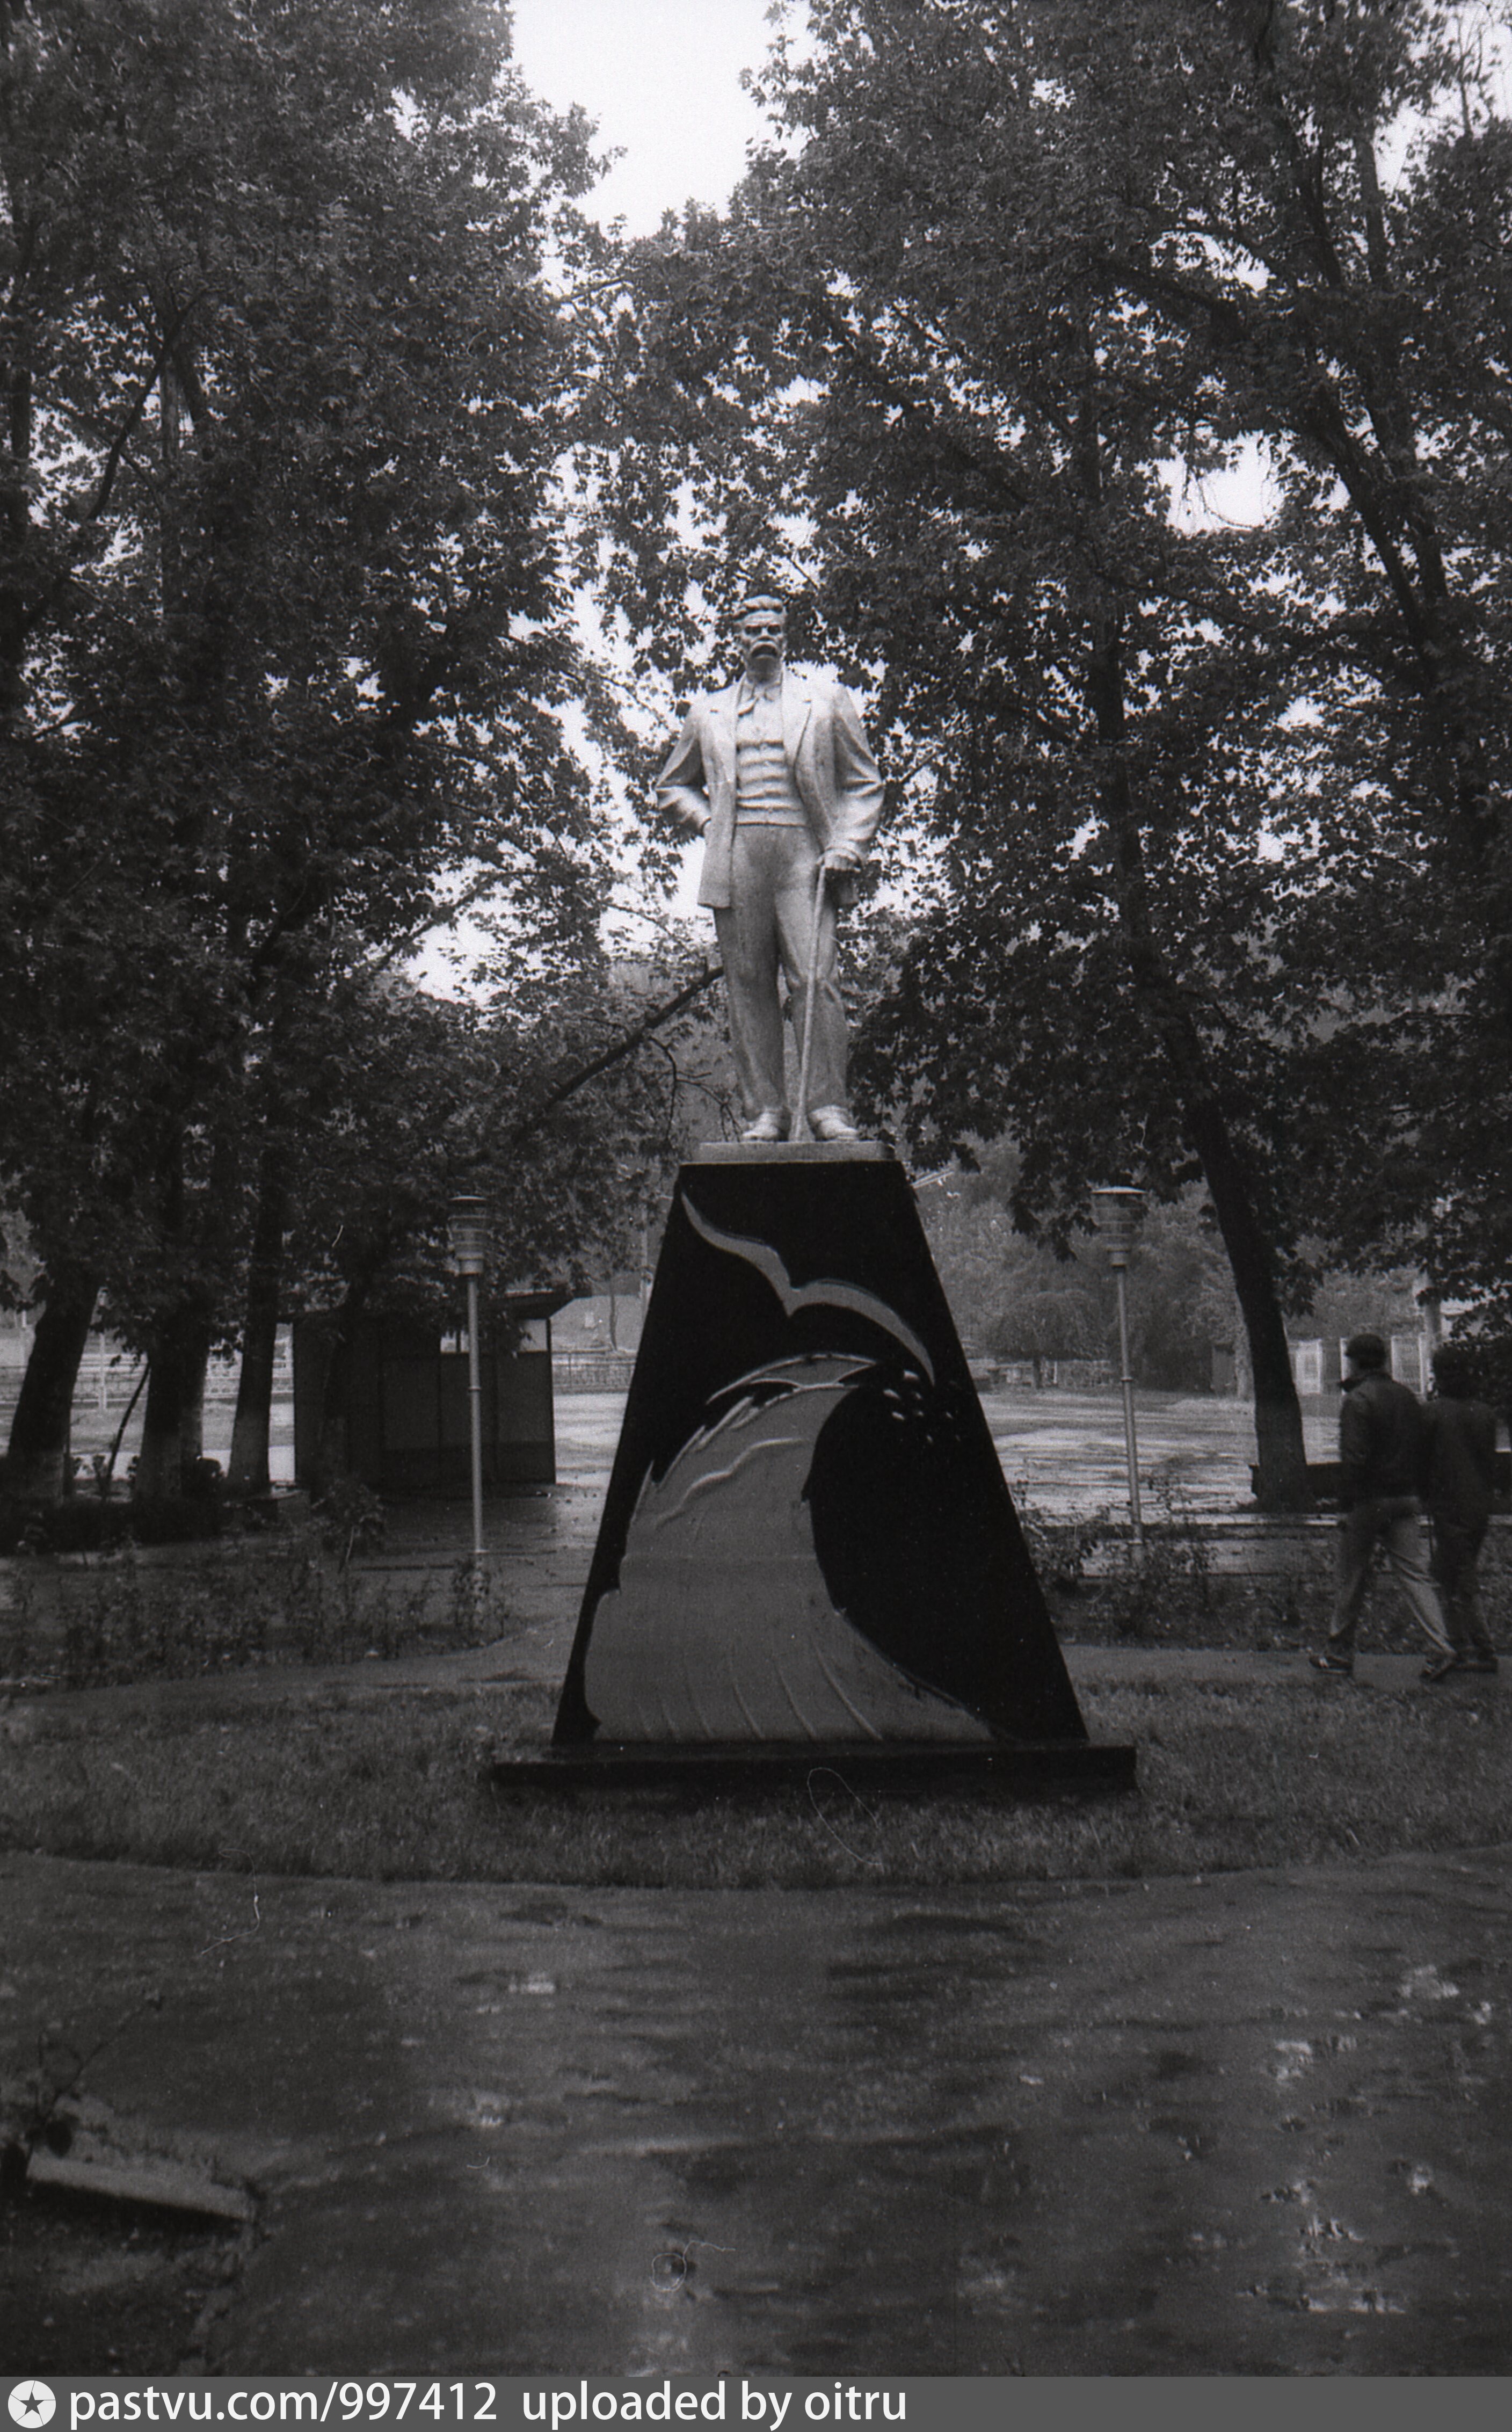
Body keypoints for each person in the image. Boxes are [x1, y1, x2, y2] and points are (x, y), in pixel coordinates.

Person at [656, 586, 884, 1142]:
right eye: (751, 630)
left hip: (804, 856)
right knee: (749, 984)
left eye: (772, 629)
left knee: (815, 979)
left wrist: (847, 844)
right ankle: (765, 1110)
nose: (763, 637)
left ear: (785, 636)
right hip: (739, 858)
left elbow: (865, 783)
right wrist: (708, 821)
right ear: (735, 640)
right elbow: (671, 786)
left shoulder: (824, 700)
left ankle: (827, 1107)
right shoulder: (707, 711)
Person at [1311, 1331, 1458, 1682]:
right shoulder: (1407, 1397)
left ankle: (1338, 1653)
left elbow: (1355, 1459)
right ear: (1384, 1361)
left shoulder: (1358, 1400)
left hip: (1370, 1500)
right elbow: (1423, 1450)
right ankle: (1441, 1647)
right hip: (1406, 1498)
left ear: (1355, 1362)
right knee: (1414, 1574)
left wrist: (1345, 1505)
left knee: (1352, 1575)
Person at [1421, 1345, 1500, 1675]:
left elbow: (1424, 1462)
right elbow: (1488, 1464)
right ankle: (1457, 1644)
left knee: (1460, 1579)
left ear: (1438, 1375)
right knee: (1446, 1574)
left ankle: (1481, 1649)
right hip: (1478, 1505)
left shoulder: (1432, 1413)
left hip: (1448, 1506)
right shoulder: (1485, 1413)